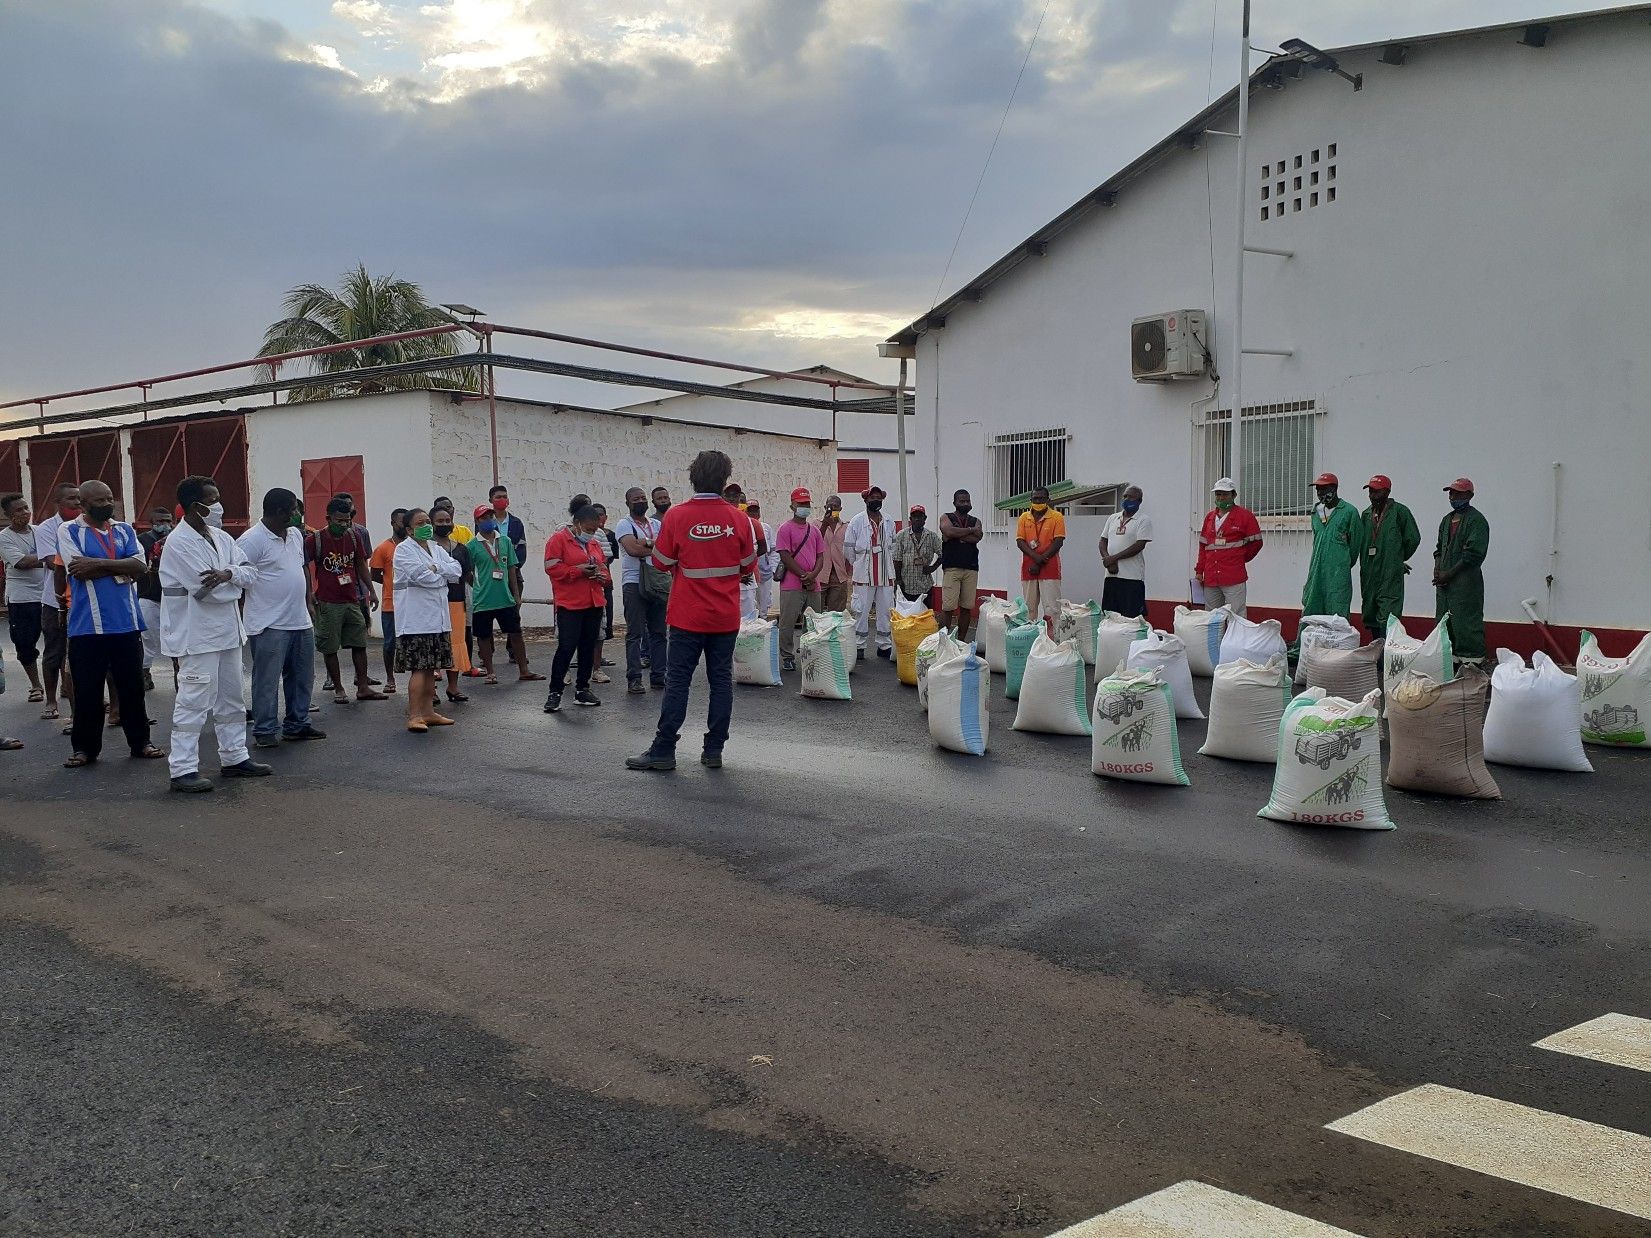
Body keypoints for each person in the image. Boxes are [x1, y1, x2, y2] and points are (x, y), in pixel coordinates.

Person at [627, 449, 755, 771]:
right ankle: (714, 750)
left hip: (687, 615)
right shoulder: (740, 519)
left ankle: (664, 750)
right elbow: (747, 565)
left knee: (678, 681)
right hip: (725, 616)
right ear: (724, 480)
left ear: (693, 478)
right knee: (721, 681)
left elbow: (660, 561)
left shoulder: (676, 516)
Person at [159, 475, 269, 791]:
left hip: (228, 633)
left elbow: (251, 574)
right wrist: (232, 582)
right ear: (195, 506)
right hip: (196, 636)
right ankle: (182, 769)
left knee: (232, 698)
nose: (218, 505)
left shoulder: (222, 538)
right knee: (194, 700)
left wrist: (228, 575)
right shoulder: (179, 543)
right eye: (212, 499)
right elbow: (204, 590)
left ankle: (234, 757)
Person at [58, 479, 165, 769]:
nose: (108, 504)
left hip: (126, 623)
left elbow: (140, 567)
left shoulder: (124, 530)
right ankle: (84, 749)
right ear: (83, 504)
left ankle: (141, 742)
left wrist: (98, 564)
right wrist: (120, 564)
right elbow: (77, 570)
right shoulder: (69, 531)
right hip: (87, 626)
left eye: (110, 499)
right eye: (100, 501)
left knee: (132, 688)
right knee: (88, 691)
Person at [240, 487, 326, 749]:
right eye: (294, 509)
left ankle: (296, 724)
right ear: (280, 512)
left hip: (299, 619)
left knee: (302, 675)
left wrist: (308, 599)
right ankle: (265, 730)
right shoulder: (251, 540)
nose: (298, 514)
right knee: (267, 679)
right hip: (269, 623)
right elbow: (239, 578)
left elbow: (301, 568)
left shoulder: (295, 536)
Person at [307, 496, 386, 705]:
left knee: (359, 642)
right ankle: (339, 688)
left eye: (347, 520)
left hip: (352, 599)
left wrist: (371, 591)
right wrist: (309, 595)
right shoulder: (315, 539)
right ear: (328, 518)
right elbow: (304, 567)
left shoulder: (353, 536)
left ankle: (362, 686)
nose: (344, 524)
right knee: (330, 645)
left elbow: (360, 564)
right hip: (328, 601)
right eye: (339, 520)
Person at [393, 507, 463, 733]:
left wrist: (436, 568)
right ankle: (414, 715)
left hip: (438, 618)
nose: (426, 526)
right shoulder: (404, 550)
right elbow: (422, 578)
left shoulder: (436, 548)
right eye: (420, 523)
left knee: (432, 667)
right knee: (420, 669)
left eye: (427, 522)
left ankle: (429, 712)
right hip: (416, 619)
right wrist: (440, 576)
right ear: (410, 529)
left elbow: (457, 571)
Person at [542, 500, 611, 712]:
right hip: (570, 604)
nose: (592, 533)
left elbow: (604, 568)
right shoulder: (558, 540)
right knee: (566, 647)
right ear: (578, 523)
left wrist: (601, 577)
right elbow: (552, 568)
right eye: (589, 529)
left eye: (595, 530)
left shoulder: (593, 544)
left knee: (587, 647)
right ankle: (555, 692)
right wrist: (578, 571)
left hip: (593, 601)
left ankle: (582, 689)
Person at [468, 502, 542, 684]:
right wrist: (478, 586)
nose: (489, 520)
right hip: (483, 600)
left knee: (516, 634)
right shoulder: (472, 546)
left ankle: (524, 670)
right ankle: (491, 672)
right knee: (484, 637)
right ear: (477, 521)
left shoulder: (506, 541)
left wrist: (516, 595)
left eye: (491, 517)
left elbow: (511, 568)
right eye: (484, 518)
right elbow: (467, 573)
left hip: (505, 598)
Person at [34, 482, 80, 721]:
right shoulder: (46, 529)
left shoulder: (86, 524)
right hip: (55, 601)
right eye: (72, 498)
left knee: (82, 654)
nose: (77, 502)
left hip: (81, 600)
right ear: (58, 503)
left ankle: (81, 698)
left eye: (79, 498)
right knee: (54, 652)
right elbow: (54, 562)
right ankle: (51, 700)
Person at [617, 485, 668, 694]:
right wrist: (654, 546)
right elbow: (632, 549)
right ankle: (634, 678)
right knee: (635, 633)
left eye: (643, 498)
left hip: (658, 582)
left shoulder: (656, 523)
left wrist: (646, 542)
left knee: (659, 632)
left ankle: (659, 676)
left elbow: (669, 548)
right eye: (636, 499)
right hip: (633, 582)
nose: (641, 501)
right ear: (628, 503)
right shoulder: (624, 524)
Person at [1434, 478, 1490, 663]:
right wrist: (1438, 570)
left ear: (1469, 496)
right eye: (1451, 493)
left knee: (1466, 623)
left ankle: (1472, 665)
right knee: (1445, 622)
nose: (1452, 496)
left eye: (1458, 493)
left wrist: (1449, 574)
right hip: (1444, 585)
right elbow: (1439, 549)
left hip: (1465, 583)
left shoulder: (1477, 521)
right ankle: (1451, 663)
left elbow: (1472, 554)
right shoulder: (1446, 520)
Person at [1359, 475, 1421, 635]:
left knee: (1388, 613)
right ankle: (1376, 650)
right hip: (1369, 573)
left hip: (1389, 573)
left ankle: (1387, 653)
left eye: (1377, 492)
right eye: (1370, 491)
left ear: (1387, 492)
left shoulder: (1400, 512)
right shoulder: (1365, 515)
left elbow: (1413, 538)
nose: (1373, 496)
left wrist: (1397, 558)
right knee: (1370, 610)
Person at [0, 492, 46, 703]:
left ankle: (66, 684)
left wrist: (45, 557)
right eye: (18, 510)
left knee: (58, 642)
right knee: (25, 644)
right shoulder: (4, 537)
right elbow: (22, 563)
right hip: (22, 598)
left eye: (26, 508)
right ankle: (36, 685)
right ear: (8, 515)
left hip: (47, 596)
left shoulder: (40, 531)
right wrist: (49, 556)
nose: (25, 513)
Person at [774, 487, 825, 672]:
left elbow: (820, 557)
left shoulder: (814, 530)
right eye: (801, 503)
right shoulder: (785, 529)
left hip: (813, 583)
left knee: (813, 621)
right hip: (791, 583)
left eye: (807, 503)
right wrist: (803, 575)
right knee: (787, 622)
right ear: (792, 505)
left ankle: (808, 652)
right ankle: (787, 656)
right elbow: (784, 556)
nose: (804, 506)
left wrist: (812, 576)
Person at [1195, 479, 1263, 616]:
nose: (1221, 498)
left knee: (1236, 615)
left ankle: (1237, 638)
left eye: (1225, 494)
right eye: (1218, 494)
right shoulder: (1209, 518)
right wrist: (1199, 570)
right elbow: (1203, 547)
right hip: (1211, 576)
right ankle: (1216, 639)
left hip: (1233, 576)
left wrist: (1239, 558)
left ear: (1234, 495)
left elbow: (1256, 544)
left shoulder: (1245, 516)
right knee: (1212, 616)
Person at [1301, 472, 1364, 620]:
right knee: (1312, 605)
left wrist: (1344, 561)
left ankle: (1337, 642)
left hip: (1338, 571)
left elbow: (1355, 543)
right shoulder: (1315, 512)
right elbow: (1317, 539)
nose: (1320, 493)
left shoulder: (1349, 512)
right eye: (1317, 489)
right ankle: (1308, 642)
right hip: (1317, 569)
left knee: (1337, 608)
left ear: (1334, 488)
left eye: (1323, 489)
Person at [845, 486, 896, 660]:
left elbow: (893, 547)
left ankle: (884, 645)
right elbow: (849, 549)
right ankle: (859, 645)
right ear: (866, 500)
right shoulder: (857, 521)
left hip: (885, 574)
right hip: (864, 574)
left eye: (879, 498)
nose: (876, 500)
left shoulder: (889, 521)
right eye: (873, 497)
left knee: (885, 611)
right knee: (861, 611)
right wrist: (858, 565)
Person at [429, 505, 474, 702]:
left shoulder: (461, 549)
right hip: (432, 603)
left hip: (456, 601)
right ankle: (430, 691)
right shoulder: (425, 548)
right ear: (431, 523)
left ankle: (453, 688)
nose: (445, 524)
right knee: (434, 644)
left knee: (455, 643)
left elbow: (468, 575)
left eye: (447, 520)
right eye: (440, 521)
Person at [369, 509, 408, 694]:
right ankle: (390, 678)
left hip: (412, 604)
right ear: (393, 523)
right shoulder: (383, 548)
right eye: (402, 522)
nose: (405, 526)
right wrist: (389, 582)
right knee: (390, 643)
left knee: (415, 641)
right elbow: (375, 574)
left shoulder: (415, 547)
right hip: (391, 604)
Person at [135, 506, 173, 689]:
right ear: (151, 523)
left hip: (173, 599)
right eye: (160, 521)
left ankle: (179, 674)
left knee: (176, 639)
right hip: (148, 597)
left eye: (168, 521)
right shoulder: (142, 541)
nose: (165, 525)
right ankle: (144, 672)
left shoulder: (176, 540)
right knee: (147, 639)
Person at [1099, 486, 1152, 619]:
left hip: (1131, 578)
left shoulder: (1143, 520)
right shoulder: (1113, 518)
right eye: (1125, 496)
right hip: (1111, 576)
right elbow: (1102, 541)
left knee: (1131, 618)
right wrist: (1107, 559)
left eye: (1131, 497)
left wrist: (1114, 558)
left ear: (1139, 501)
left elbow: (1139, 545)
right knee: (1110, 616)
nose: (1127, 499)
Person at [936, 490, 982, 640]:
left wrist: (956, 535)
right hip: (952, 568)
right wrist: (969, 531)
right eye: (962, 501)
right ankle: (942, 640)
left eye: (967, 501)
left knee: (967, 607)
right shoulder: (946, 517)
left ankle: (961, 642)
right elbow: (948, 530)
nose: (965, 504)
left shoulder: (976, 520)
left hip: (971, 568)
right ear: (954, 502)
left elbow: (977, 537)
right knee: (948, 607)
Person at [1017, 486, 1067, 625]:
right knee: (1029, 608)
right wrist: (1036, 559)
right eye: (1035, 498)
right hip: (1029, 567)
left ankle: (1052, 640)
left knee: (1052, 608)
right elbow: (1020, 542)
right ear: (1030, 500)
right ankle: (1029, 638)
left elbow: (1058, 542)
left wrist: (1039, 561)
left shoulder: (1057, 517)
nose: (1038, 501)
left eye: (1041, 498)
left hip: (1049, 566)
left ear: (1048, 500)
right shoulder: (1023, 518)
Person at [891, 505, 941, 605]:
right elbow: (897, 559)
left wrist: (933, 568)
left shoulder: (932, 536)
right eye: (914, 516)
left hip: (925, 585)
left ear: (925, 519)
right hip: (906, 584)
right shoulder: (902, 535)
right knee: (907, 618)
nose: (917, 519)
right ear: (911, 519)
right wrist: (899, 580)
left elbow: (943, 553)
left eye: (920, 516)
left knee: (925, 617)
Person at [593, 503, 617, 683]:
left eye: (602, 514)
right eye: (596, 514)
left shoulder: (608, 535)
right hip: (587, 585)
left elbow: (609, 558)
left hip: (603, 581)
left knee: (603, 623)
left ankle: (597, 663)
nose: (599, 517)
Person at [816, 495, 852, 613]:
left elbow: (851, 551)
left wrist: (848, 571)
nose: (832, 509)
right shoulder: (816, 525)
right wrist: (825, 524)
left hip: (839, 576)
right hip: (820, 575)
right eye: (829, 507)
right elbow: (814, 543)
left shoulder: (847, 527)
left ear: (840, 509)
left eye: (835, 507)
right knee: (816, 614)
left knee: (837, 615)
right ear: (825, 507)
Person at [487, 485, 527, 576]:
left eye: (505, 497)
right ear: (491, 500)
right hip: (491, 573)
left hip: (514, 573)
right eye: (498, 497)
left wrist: (514, 567)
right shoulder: (485, 522)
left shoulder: (516, 523)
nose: (502, 499)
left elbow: (521, 549)